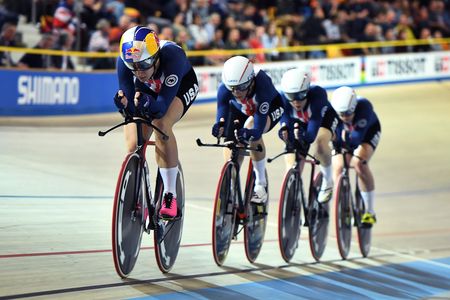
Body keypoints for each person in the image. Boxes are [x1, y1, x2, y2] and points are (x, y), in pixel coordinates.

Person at [114, 25, 199, 219]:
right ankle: (140, 189)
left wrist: (146, 104)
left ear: (155, 57)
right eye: (132, 67)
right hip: (151, 89)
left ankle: (170, 194)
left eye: (143, 65)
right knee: (134, 139)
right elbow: (131, 108)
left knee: (161, 123)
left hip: (180, 86)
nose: (138, 72)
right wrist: (124, 105)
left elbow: (160, 107)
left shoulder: (173, 57)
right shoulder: (126, 62)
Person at [211, 55, 284, 204]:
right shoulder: (224, 89)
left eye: (242, 87)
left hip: (269, 108)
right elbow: (222, 111)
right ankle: (230, 179)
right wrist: (220, 125)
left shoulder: (262, 84)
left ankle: (260, 184)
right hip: (241, 109)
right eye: (233, 88)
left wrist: (250, 133)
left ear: (251, 81)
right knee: (230, 143)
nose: (237, 92)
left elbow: (257, 128)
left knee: (251, 129)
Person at [278, 68, 339, 204]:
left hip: (323, 120)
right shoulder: (282, 98)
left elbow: (312, 133)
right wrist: (284, 132)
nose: (295, 102)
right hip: (299, 122)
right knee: (292, 160)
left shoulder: (318, 94)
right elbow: (285, 121)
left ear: (307, 90)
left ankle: (328, 181)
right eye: (291, 96)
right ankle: (293, 193)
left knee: (320, 145)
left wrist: (304, 137)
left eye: (300, 95)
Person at [330, 86, 381, 226]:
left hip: (368, 133)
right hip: (345, 136)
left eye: (348, 113)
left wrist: (342, 142)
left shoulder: (364, 106)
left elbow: (357, 139)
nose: (345, 117)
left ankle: (370, 212)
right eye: (342, 114)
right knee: (338, 167)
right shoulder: (331, 111)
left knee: (358, 164)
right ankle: (342, 199)